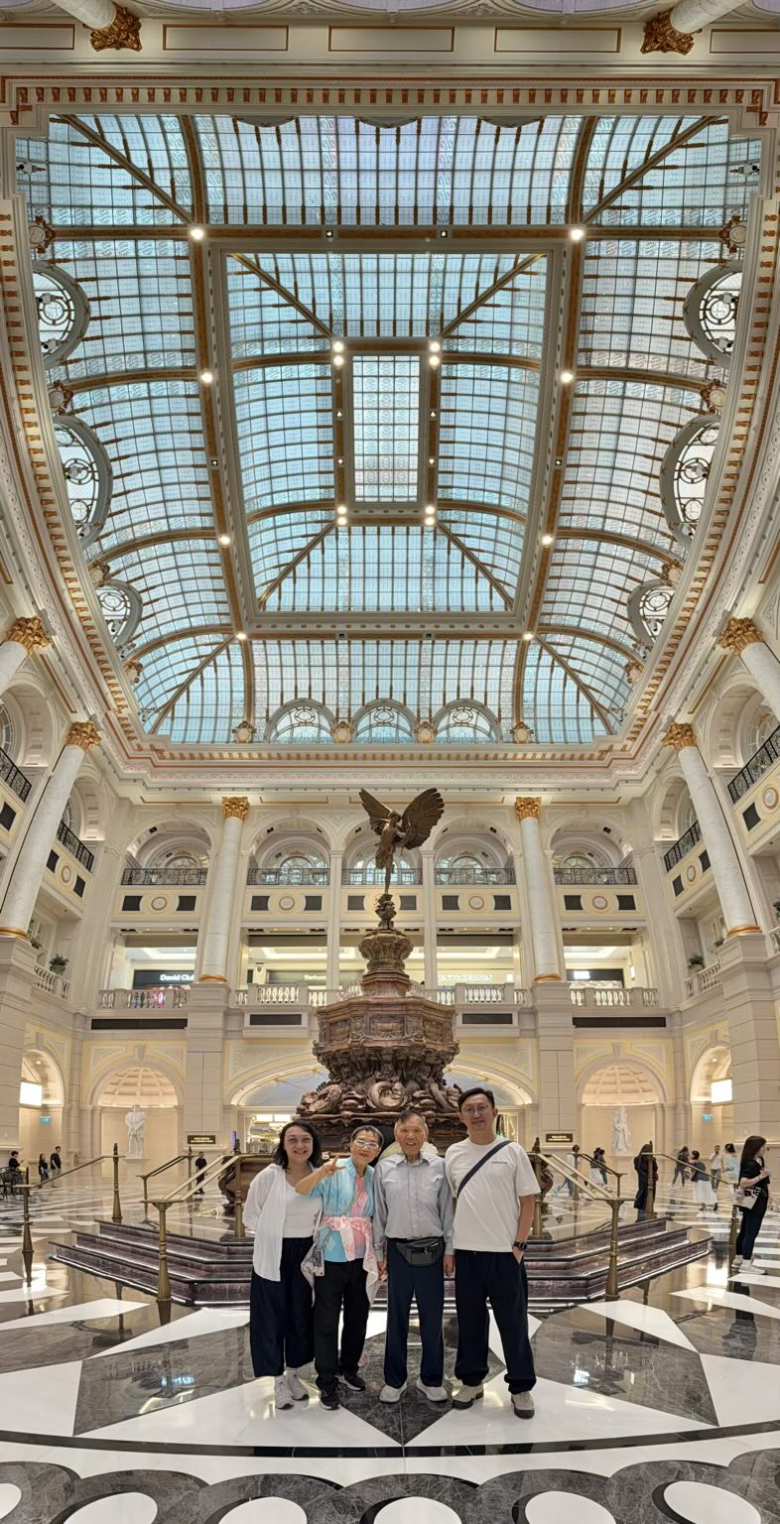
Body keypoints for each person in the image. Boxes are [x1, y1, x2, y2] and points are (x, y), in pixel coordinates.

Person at [444, 1087, 539, 1419]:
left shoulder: (512, 1151)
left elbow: (528, 1201)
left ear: (494, 1112)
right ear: (461, 1116)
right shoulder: (454, 1153)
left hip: (503, 1254)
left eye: (482, 1107)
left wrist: (519, 1245)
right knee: (470, 1323)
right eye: (469, 1109)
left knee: (513, 1323)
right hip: (468, 1254)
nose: (476, 1113)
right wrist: (451, 1247)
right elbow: (451, 1204)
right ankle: (471, 1381)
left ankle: (521, 1387)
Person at [296, 1123, 383, 1411]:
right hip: (332, 1255)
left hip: (362, 1257)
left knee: (358, 1317)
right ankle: (327, 1380)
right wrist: (321, 1171)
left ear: (378, 1151)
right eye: (361, 1141)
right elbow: (302, 1189)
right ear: (351, 1142)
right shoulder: (335, 1168)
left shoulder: (374, 1175)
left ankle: (349, 1369)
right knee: (326, 1320)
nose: (366, 1147)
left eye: (372, 1144)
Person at [374, 1108, 454, 1405]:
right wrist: (379, 1251)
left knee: (432, 1318)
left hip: (432, 1251)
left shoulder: (440, 1167)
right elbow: (380, 1214)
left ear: (425, 1134)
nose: (410, 1136)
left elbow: (448, 1211)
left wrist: (450, 1249)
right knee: (396, 1318)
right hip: (397, 1251)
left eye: (416, 1131)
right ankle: (394, 1380)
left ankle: (431, 1379)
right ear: (396, 1134)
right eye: (405, 1131)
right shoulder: (385, 1169)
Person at [244, 1121, 323, 1411]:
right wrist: (270, 1236)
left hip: (305, 1255)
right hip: (273, 1253)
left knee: (301, 1317)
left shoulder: (319, 1176)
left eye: (305, 1139)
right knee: (271, 1318)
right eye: (293, 1140)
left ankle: (293, 1374)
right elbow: (250, 1216)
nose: (300, 1145)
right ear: (283, 1144)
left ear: (313, 1144)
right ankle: (276, 1379)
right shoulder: (269, 1176)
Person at [733, 1134, 771, 1274]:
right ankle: (746, 1264)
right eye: (763, 1146)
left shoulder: (758, 1160)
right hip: (755, 1201)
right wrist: (762, 1176)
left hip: (755, 1200)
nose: (765, 1148)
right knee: (751, 1232)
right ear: (756, 1147)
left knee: (745, 1229)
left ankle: (739, 1259)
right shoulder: (750, 1163)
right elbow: (743, 1182)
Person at [633, 1141, 657, 1218]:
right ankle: (641, 1207)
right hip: (643, 1178)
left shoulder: (652, 1159)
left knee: (651, 1192)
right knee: (642, 1191)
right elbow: (638, 1168)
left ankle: (649, 1206)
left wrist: (652, 1160)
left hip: (651, 1178)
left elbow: (655, 1168)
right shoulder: (637, 1159)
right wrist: (646, 1175)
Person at [708, 1144, 722, 1211]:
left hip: (718, 1168)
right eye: (716, 1148)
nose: (717, 1149)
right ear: (714, 1149)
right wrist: (715, 1155)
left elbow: (723, 1161)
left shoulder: (721, 1154)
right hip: (713, 1168)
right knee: (712, 1179)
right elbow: (710, 1160)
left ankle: (716, 1187)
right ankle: (713, 1188)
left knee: (718, 1177)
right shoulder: (712, 1154)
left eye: (718, 1148)